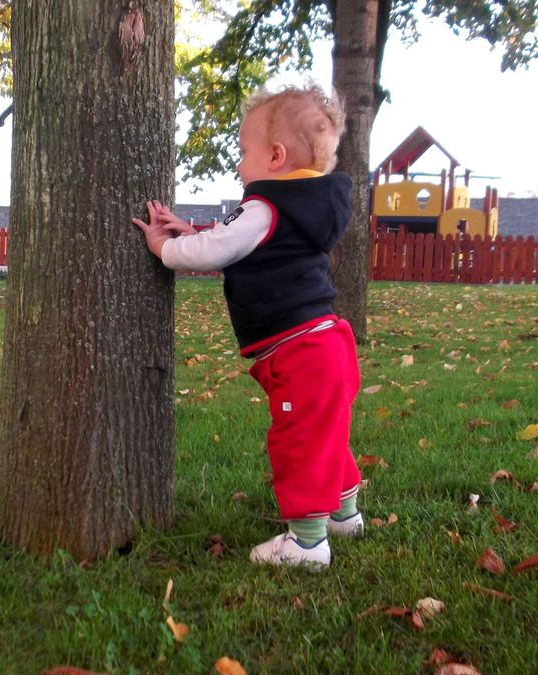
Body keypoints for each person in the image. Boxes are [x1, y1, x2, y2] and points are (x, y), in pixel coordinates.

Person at [133, 83, 364, 570]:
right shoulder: (305, 210)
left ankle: (306, 545)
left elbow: (219, 248)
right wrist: (193, 231)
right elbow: (238, 246)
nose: (240, 165)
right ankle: (344, 515)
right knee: (327, 432)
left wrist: (163, 248)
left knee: (298, 440)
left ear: (275, 156)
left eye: (243, 152)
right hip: (328, 345)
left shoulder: (264, 206)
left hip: (300, 352)